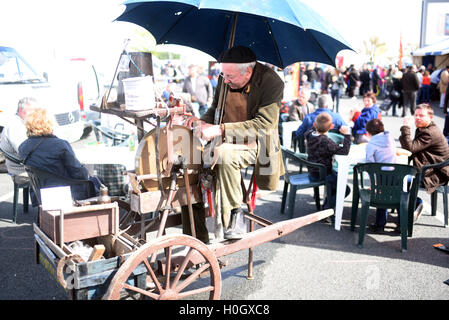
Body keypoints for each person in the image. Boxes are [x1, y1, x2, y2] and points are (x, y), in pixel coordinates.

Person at [185, 46, 284, 240]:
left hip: (258, 144)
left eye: (230, 76)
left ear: (248, 71)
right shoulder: (226, 77)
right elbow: (215, 108)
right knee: (188, 166)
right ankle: (196, 238)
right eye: (223, 75)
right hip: (225, 139)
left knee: (225, 154)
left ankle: (234, 217)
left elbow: (264, 125)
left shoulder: (272, 82)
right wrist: (203, 121)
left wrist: (220, 129)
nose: (225, 80)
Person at [18, 108, 101, 203]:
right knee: (98, 182)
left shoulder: (23, 147)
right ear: (49, 124)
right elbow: (79, 174)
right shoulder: (60, 145)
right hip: (64, 193)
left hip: (40, 193)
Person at [399, 104, 449, 220]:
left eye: (421, 115)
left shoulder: (429, 132)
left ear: (431, 117)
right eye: (416, 115)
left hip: (435, 173)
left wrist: (405, 127)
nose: (417, 118)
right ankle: (406, 209)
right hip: (430, 167)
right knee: (399, 176)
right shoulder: (423, 128)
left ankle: (415, 205)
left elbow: (410, 148)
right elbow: (410, 148)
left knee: (398, 179)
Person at [305, 113, 351, 211]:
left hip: (312, 172)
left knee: (336, 180)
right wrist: (347, 134)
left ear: (314, 124)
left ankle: (327, 203)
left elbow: (312, 129)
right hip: (324, 174)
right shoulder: (327, 142)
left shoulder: (309, 135)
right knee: (346, 189)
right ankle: (327, 206)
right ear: (332, 127)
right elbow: (345, 151)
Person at [364, 119, 398, 232]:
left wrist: (374, 183)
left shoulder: (371, 144)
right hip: (396, 176)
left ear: (368, 133)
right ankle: (403, 223)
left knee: (382, 193)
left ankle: (380, 224)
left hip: (381, 178)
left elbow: (370, 165)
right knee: (397, 197)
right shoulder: (391, 139)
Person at [0, 97, 38, 184]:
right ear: (22, 110)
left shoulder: (22, 122)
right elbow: (25, 152)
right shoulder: (15, 126)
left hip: (28, 166)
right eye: (34, 110)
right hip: (22, 171)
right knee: (61, 175)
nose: (37, 114)